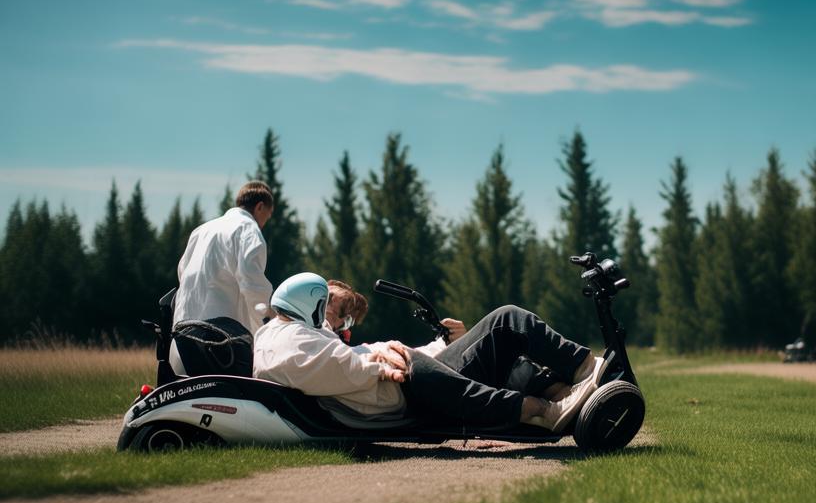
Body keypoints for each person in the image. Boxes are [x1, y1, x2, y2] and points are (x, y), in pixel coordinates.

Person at [254, 273, 607, 432]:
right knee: (507, 320)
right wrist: (376, 364)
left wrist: (446, 343)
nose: (331, 313)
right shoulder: (295, 340)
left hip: (407, 380)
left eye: (340, 308)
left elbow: (347, 356)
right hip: (406, 389)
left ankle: (565, 395)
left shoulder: (294, 334)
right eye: (328, 302)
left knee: (503, 331)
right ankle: (582, 372)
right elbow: (338, 363)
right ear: (312, 303)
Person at [170, 181, 275, 374]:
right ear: (260, 206)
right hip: (221, 341)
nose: (264, 223)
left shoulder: (201, 231)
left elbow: (182, 272)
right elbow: (253, 285)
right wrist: (271, 321)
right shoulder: (248, 231)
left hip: (183, 334)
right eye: (267, 216)